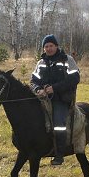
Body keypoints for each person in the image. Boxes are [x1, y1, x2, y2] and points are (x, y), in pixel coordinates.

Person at [30, 34, 80, 165]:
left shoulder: (67, 60)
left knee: (58, 125)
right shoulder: (40, 63)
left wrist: (55, 88)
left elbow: (75, 79)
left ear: (56, 46)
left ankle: (59, 155)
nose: (48, 48)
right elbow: (33, 81)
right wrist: (37, 90)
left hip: (61, 99)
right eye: (46, 46)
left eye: (51, 45)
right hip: (43, 98)